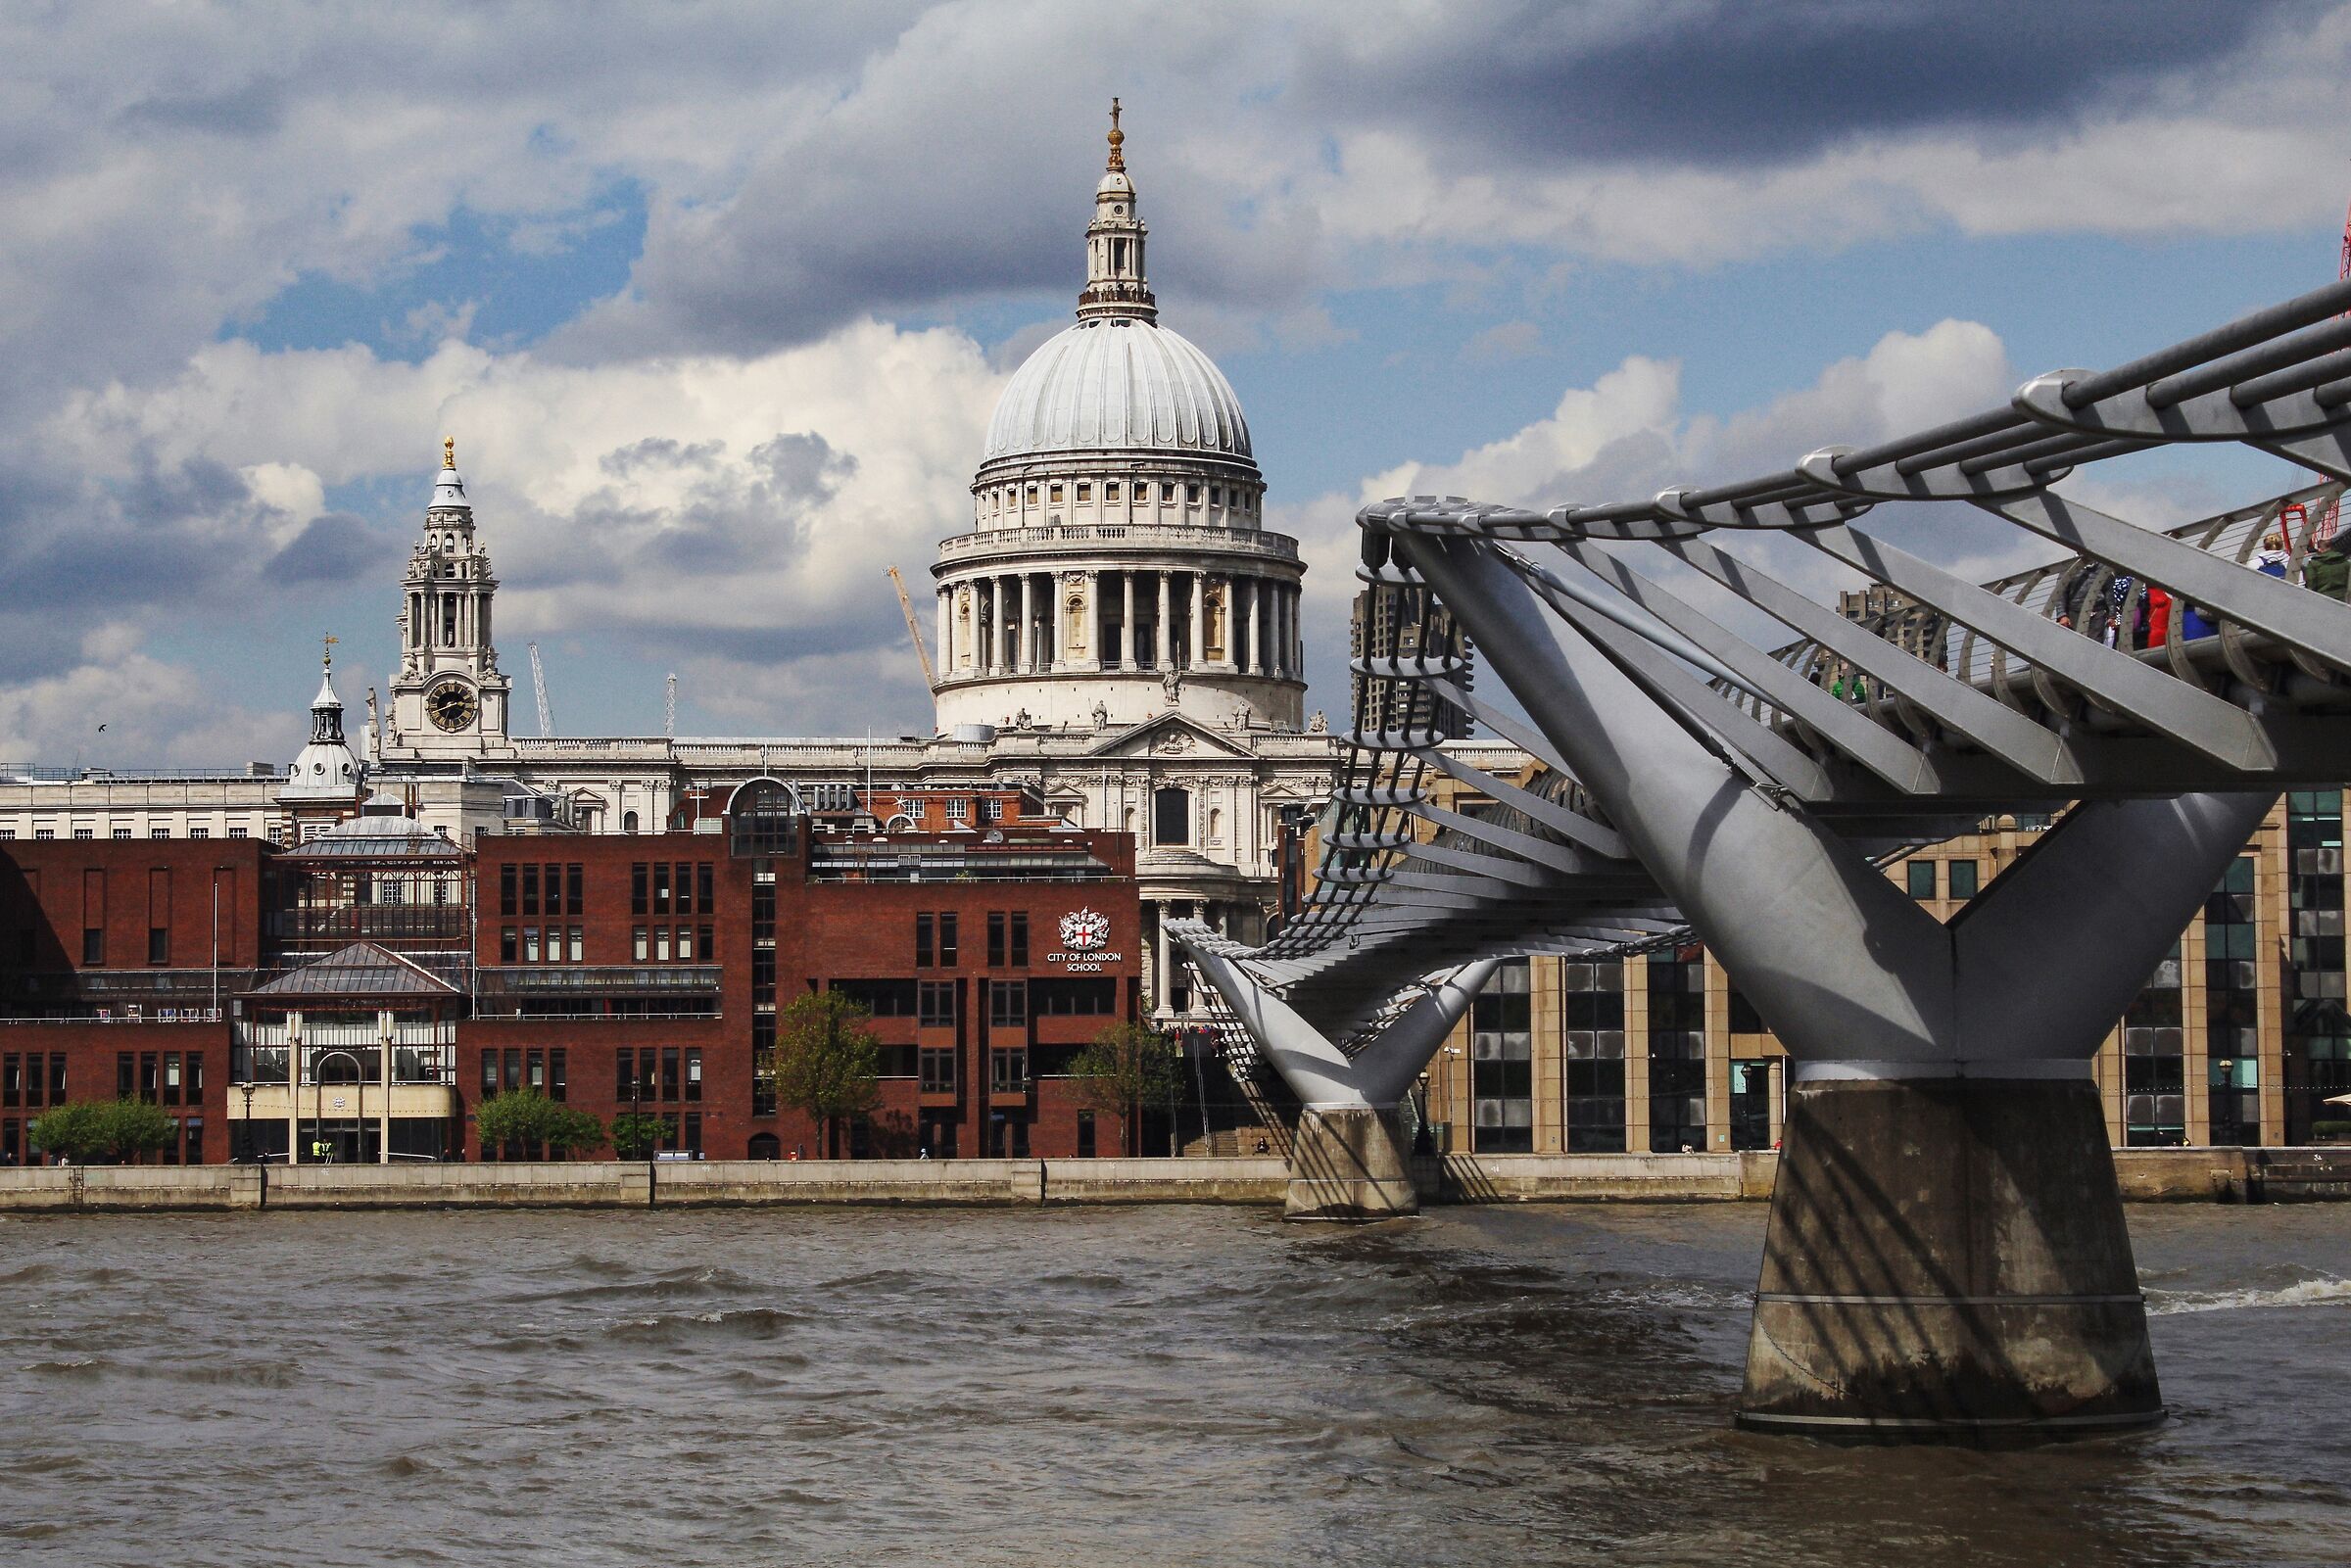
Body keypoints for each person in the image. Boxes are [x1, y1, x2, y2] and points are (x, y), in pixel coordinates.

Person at [2305, 532, 2351, 600]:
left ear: (2320, 549)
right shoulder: (2345, 562)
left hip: (2323, 598)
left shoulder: (2314, 564)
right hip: (2343, 597)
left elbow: (2311, 584)